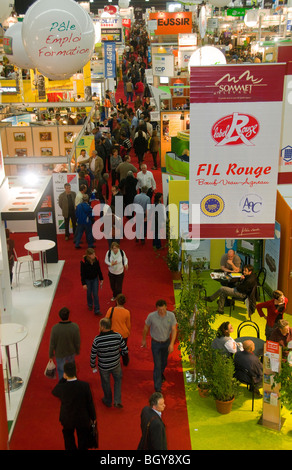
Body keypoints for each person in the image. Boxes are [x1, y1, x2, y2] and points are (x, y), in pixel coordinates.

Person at [52, 361, 97, 450]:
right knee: (83, 439)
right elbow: (90, 403)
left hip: (67, 419)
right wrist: (93, 417)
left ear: (65, 373)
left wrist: (63, 379)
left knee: (68, 439)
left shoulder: (62, 388)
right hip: (82, 418)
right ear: (76, 370)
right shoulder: (85, 386)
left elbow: (54, 391)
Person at [90, 317, 128, 408]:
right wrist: (118, 355)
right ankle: (117, 401)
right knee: (118, 381)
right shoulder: (118, 336)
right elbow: (125, 350)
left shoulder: (97, 340)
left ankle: (108, 400)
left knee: (105, 383)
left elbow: (93, 354)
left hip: (104, 366)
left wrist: (92, 365)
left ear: (102, 327)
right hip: (116, 364)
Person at [141, 299, 177, 392]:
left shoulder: (171, 316)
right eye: (159, 310)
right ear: (156, 309)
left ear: (166, 307)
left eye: (163, 309)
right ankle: (157, 388)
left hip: (166, 342)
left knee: (164, 362)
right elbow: (146, 328)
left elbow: (174, 329)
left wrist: (172, 343)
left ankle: (160, 374)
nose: (161, 311)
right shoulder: (151, 316)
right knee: (157, 365)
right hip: (155, 343)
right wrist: (144, 339)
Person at [49, 307, 81, 380]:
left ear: (59, 316)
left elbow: (52, 343)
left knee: (61, 370)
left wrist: (51, 354)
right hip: (71, 351)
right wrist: (77, 350)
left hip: (59, 353)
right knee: (71, 368)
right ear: (68, 315)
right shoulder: (74, 327)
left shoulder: (55, 328)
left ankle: (62, 384)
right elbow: (77, 341)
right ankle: (73, 382)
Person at [80, 248, 103, 315]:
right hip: (87, 280)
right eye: (93, 254)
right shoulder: (83, 262)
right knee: (89, 293)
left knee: (95, 294)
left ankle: (97, 309)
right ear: (89, 255)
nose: (94, 255)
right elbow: (82, 273)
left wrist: (101, 278)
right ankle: (90, 304)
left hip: (95, 279)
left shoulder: (96, 259)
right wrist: (83, 283)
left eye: (94, 254)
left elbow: (99, 269)